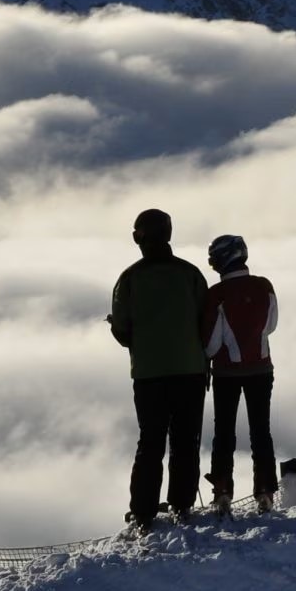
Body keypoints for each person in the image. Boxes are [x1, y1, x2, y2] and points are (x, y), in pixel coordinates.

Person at [106, 207, 212, 529]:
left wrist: (118, 329)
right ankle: (182, 505)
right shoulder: (190, 274)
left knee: (150, 442)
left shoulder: (129, 279)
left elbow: (123, 333)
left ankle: (143, 512)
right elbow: (206, 322)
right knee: (185, 440)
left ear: (139, 238)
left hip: (149, 375)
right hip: (191, 372)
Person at [203, 233, 280, 512]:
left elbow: (211, 346)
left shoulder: (216, 294)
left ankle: (223, 492)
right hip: (262, 368)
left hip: (227, 373)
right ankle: (265, 492)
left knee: (224, 432)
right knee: (262, 431)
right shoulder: (264, 286)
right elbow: (271, 325)